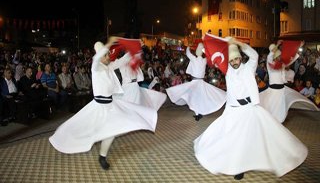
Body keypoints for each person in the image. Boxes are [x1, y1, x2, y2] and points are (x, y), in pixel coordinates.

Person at [194, 38, 308, 180]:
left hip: (249, 109)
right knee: (229, 137)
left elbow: (254, 54)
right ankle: (229, 160)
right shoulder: (227, 70)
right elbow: (215, 56)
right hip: (233, 110)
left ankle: (241, 166)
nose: (234, 62)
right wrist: (204, 47)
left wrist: (238, 43)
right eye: (232, 60)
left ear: (240, 58)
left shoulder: (249, 67)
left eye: (236, 59)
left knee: (251, 137)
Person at [49, 37, 157, 170]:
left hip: (111, 105)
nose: (108, 57)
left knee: (111, 131)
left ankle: (102, 156)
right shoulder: (96, 67)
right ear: (100, 56)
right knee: (87, 129)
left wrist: (136, 47)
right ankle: (75, 140)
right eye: (106, 55)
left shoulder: (109, 66)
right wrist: (110, 43)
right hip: (98, 106)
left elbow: (123, 60)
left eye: (108, 54)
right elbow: (97, 57)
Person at [259, 42, 318, 123]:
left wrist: (298, 48)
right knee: (272, 109)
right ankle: (272, 122)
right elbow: (269, 56)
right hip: (273, 91)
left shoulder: (282, 65)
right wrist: (277, 45)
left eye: (280, 56)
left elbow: (291, 60)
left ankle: (279, 123)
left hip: (282, 90)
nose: (280, 58)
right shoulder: (270, 65)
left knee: (281, 110)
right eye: (278, 56)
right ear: (274, 58)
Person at [166, 43, 226, 121]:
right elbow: (209, 56)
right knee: (198, 98)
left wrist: (188, 46)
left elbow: (188, 53)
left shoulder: (194, 59)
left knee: (194, 98)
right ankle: (198, 113)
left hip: (195, 82)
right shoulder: (204, 60)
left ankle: (198, 113)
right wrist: (205, 50)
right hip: (200, 82)